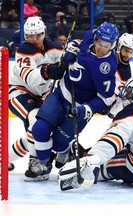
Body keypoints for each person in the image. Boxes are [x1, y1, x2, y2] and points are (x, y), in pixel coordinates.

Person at [31, 21, 119, 179]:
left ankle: (65, 150)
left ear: (112, 45)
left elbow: (106, 99)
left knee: (58, 144)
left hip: (80, 108)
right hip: (62, 93)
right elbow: (79, 42)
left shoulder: (107, 67)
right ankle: (44, 164)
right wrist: (73, 47)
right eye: (99, 43)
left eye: (107, 45)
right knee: (40, 129)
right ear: (95, 38)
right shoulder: (88, 37)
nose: (101, 48)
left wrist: (88, 109)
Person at [8, 16, 66, 180]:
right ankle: (37, 162)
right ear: (25, 36)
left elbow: (65, 63)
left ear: (44, 33)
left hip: (43, 96)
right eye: (30, 35)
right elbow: (30, 78)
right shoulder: (24, 51)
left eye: (38, 35)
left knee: (37, 133)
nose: (35, 39)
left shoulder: (53, 48)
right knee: (35, 120)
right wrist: (48, 71)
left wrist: (70, 57)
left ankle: (5, 158)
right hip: (19, 93)